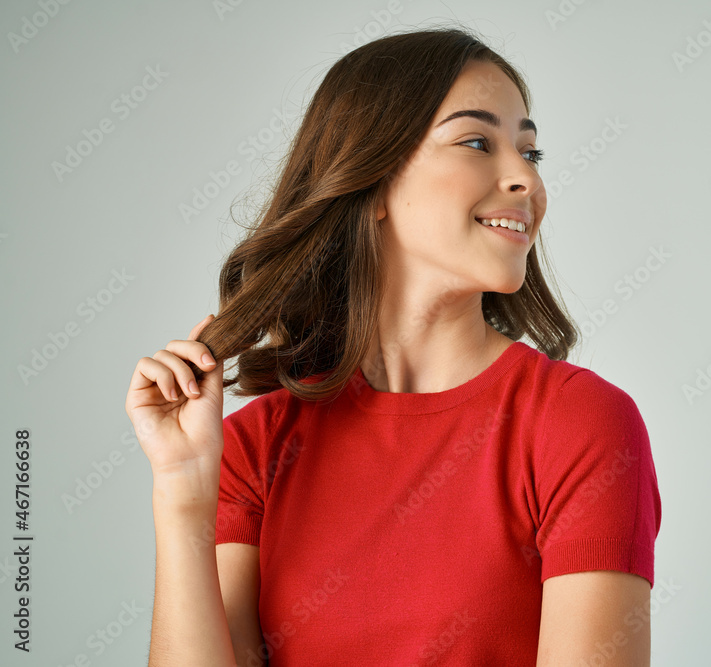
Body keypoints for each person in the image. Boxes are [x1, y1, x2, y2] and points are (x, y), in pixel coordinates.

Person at [125, 25, 661, 666]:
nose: (525, 178)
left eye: (531, 151)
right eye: (477, 142)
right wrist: (183, 496)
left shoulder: (580, 424)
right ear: (374, 182)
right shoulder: (254, 448)